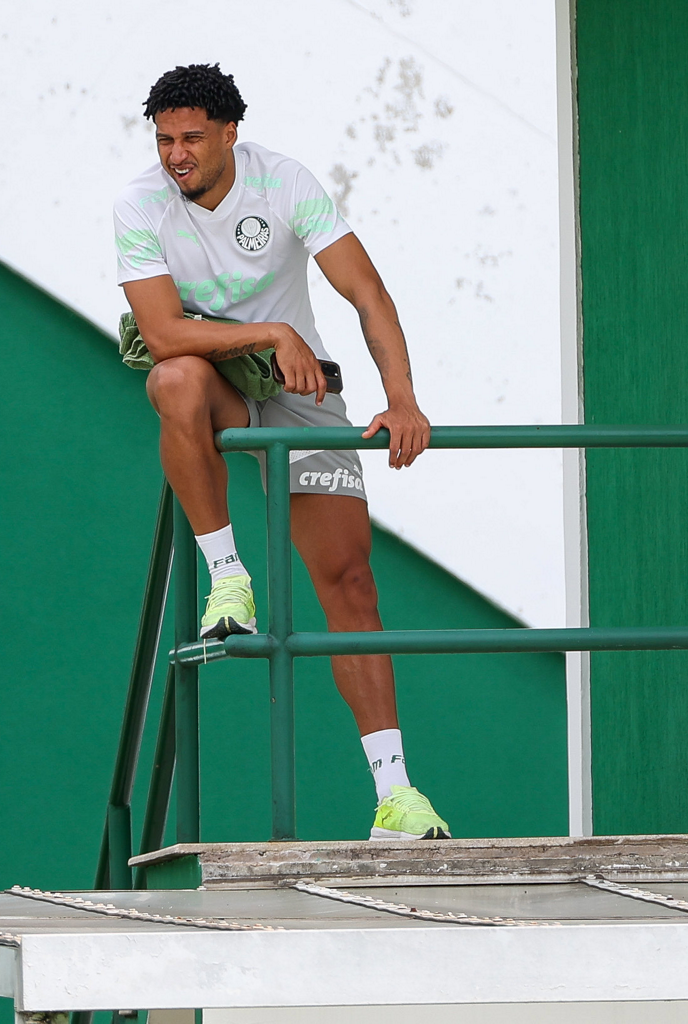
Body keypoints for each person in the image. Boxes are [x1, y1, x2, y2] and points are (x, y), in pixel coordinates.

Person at [113, 63, 450, 841]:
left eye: (192, 138)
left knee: (350, 581)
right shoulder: (139, 203)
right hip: (218, 381)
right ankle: (228, 577)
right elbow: (161, 332)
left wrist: (401, 399)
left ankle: (396, 796)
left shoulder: (284, 181)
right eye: (164, 140)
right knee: (173, 380)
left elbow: (366, 291)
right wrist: (270, 331)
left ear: (231, 133)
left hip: (302, 391)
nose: (176, 154)